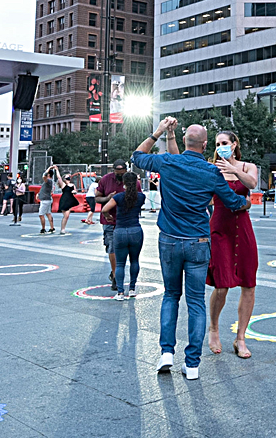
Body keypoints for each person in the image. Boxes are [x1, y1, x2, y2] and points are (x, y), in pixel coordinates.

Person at [132, 117, 251, 380]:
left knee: (170, 296)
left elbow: (137, 156)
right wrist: (246, 204)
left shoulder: (168, 162)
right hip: (198, 241)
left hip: (169, 240)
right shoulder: (211, 172)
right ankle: (193, 363)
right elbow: (232, 202)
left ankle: (166, 353)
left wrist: (159, 132)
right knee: (195, 302)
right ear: (206, 145)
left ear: (185, 140)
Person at [202, 131, 259, 360]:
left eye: (225, 143)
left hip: (243, 229)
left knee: (249, 284)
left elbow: (252, 184)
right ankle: (214, 328)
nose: (221, 147)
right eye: (217, 144)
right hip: (219, 228)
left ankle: (241, 337)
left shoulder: (247, 166)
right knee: (222, 284)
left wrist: (234, 170)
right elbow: (204, 197)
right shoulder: (211, 169)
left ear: (234, 144)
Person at [95, 160, 140, 290]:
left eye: (122, 173)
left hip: (127, 221)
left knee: (128, 252)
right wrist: (107, 198)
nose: (120, 176)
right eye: (117, 173)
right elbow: (97, 198)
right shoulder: (105, 180)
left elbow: (138, 198)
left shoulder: (133, 183)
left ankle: (120, 277)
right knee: (112, 248)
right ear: (113, 170)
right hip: (110, 221)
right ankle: (115, 276)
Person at [101, 172, 145, 301]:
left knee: (120, 263)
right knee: (135, 261)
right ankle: (132, 289)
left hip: (120, 231)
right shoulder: (141, 197)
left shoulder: (118, 197)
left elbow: (104, 209)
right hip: (135, 230)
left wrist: (108, 216)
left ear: (124, 183)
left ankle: (120, 292)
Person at [52, 166, 79, 234]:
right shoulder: (63, 185)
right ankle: (62, 229)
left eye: (69, 178)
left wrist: (74, 192)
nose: (68, 179)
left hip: (70, 200)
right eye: (67, 178)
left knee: (67, 216)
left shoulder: (72, 185)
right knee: (65, 216)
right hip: (64, 200)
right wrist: (57, 170)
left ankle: (63, 229)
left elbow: (75, 191)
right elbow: (59, 177)